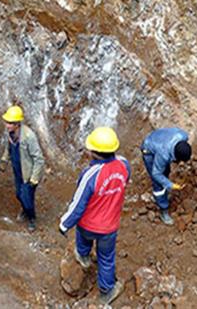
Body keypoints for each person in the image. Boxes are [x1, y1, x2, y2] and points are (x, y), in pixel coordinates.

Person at [59, 127, 130, 306]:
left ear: (95, 153)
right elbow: (123, 181)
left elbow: (78, 204)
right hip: (109, 227)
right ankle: (107, 290)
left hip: (88, 226)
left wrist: (65, 224)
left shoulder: (90, 174)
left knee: (83, 243)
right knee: (106, 259)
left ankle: (83, 257)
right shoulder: (124, 165)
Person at [0, 105, 45, 231]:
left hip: (28, 174)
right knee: (19, 195)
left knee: (27, 198)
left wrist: (34, 178)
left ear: (17, 124)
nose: (7, 125)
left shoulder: (28, 136)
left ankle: (31, 218)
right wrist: (4, 160)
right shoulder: (11, 134)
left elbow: (39, 158)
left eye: (10, 123)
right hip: (18, 171)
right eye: (7, 122)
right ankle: (25, 210)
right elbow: (8, 148)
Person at [140, 128, 192, 226]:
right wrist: (170, 185)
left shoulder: (183, 135)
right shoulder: (164, 155)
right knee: (158, 183)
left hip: (158, 138)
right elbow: (156, 173)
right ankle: (163, 210)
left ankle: (164, 187)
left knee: (165, 171)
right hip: (148, 148)